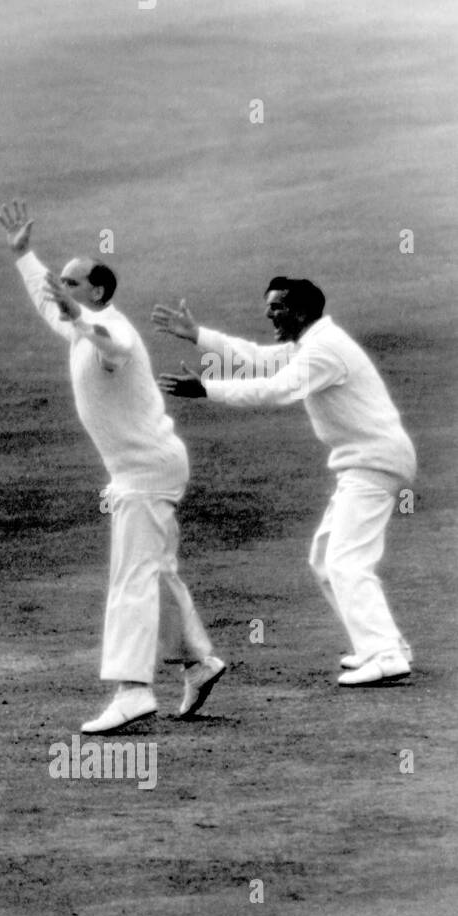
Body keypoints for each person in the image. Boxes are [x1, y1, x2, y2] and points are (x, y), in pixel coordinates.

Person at [0, 198, 225, 732]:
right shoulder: (78, 325)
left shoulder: (110, 330)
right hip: (144, 469)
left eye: (72, 284)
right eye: (63, 283)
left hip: (147, 470)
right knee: (155, 570)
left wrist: (79, 316)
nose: (62, 289)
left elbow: (111, 342)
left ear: (96, 292)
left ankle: (133, 689)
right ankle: (200, 661)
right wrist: (25, 256)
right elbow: (50, 305)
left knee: (133, 576)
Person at [153, 278, 416, 685]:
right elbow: (259, 359)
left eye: (277, 307)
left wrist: (207, 388)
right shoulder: (310, 344)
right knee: (325, 558)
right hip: (362, 463)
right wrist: (198, 335)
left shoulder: (324, 349)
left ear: (302, 311)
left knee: (345, 560)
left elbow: (277, 390)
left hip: (373, 463)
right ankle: (383, 645)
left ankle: (385, 654)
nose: (268, 314)